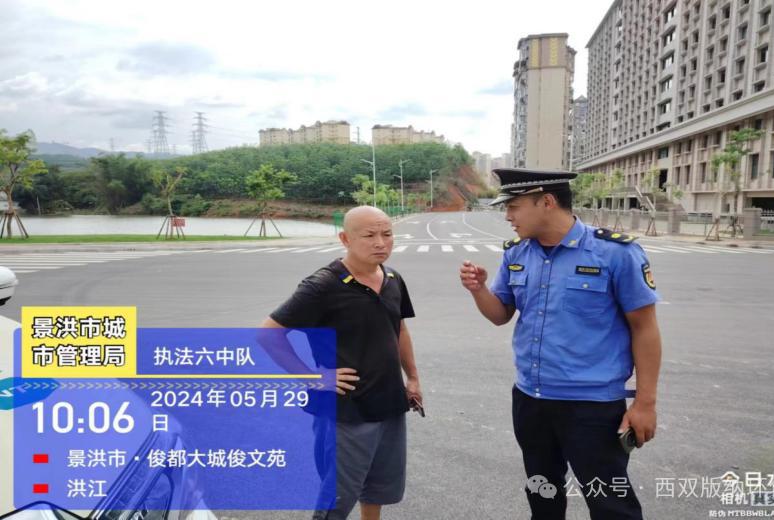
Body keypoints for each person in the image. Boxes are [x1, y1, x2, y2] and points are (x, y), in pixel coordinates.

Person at [459, 168, 662, 519]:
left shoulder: (614, 253)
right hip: (531, 399)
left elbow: (645, 329)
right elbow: (500, 314)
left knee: (611, 504)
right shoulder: (517, 253)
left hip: (592, 406)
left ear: (547, 202)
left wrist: (645, 403)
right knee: (543, 496)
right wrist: (478, 290)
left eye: (514, 206)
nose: (507, 216)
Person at [260, 205, 421, 520]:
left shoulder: (392, 278)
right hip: (344, 410)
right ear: (345, 239)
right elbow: (268, 334)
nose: (380, 243)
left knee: (378, 488)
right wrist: (312, 377)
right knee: (337, 497)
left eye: (387, 234)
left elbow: (399, 329)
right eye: (369, 235)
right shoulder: (322, 285)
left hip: (388, 403)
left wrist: (412, 378)